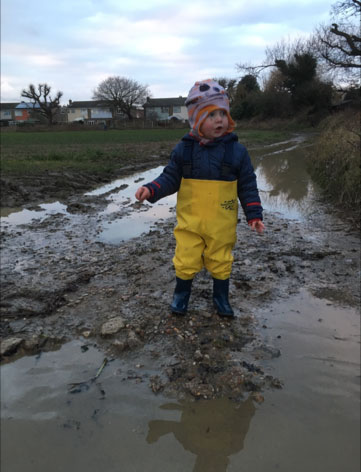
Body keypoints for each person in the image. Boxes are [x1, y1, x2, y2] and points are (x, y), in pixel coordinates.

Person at [135, 79, 264, 318]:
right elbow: (170, 177)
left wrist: (254, 214)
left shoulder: (237, 152)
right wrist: (151, 189)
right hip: (190, 222)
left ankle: (221, 297)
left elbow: (247, 185)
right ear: (196, 120)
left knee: (221, 259)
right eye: (211, 114)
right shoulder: (184, 150)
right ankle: (181, 294)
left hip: (221, 224)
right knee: (185, 257)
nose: (219, 120)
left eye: (222, 114)